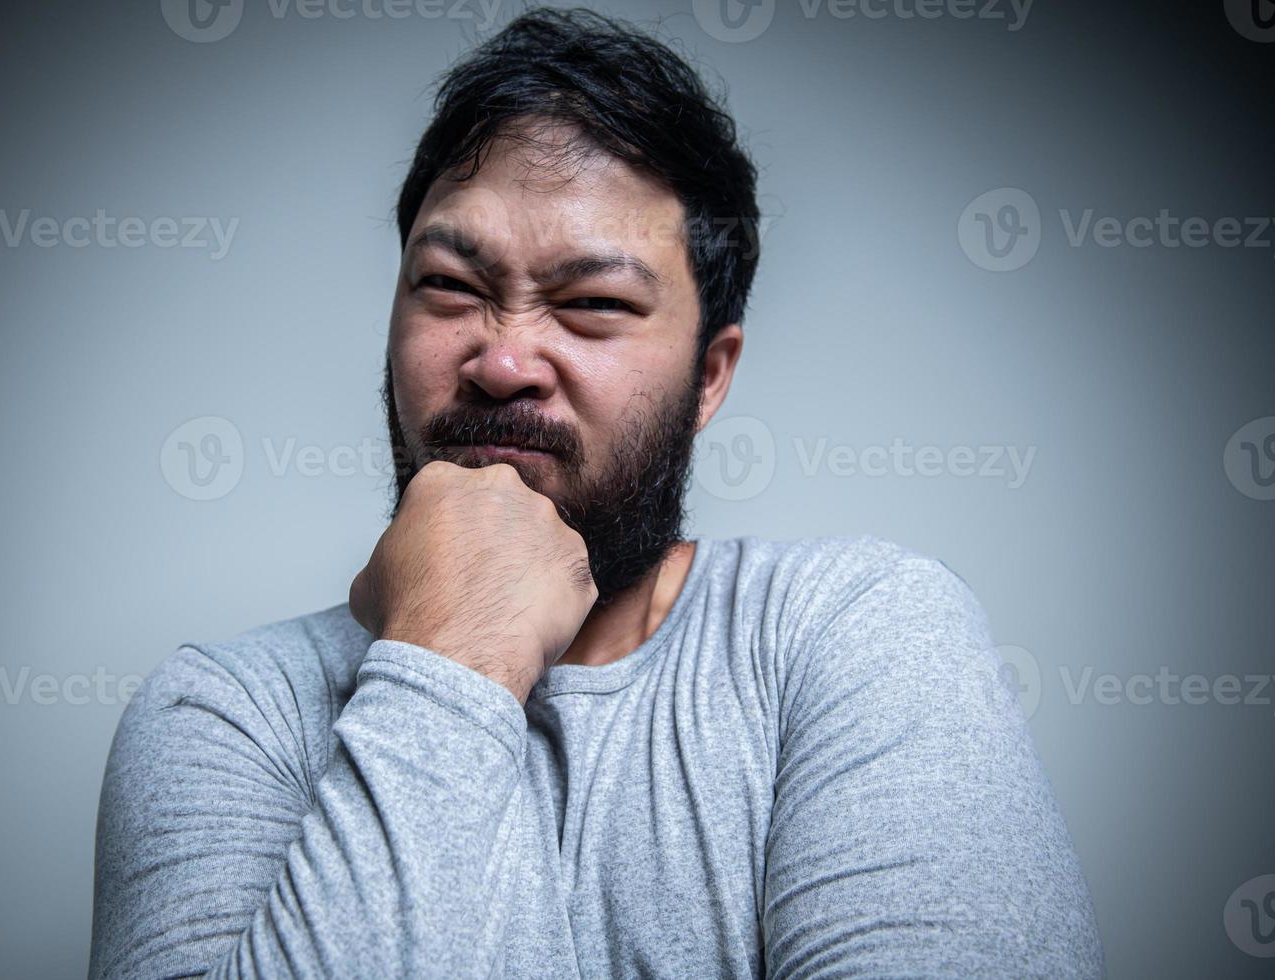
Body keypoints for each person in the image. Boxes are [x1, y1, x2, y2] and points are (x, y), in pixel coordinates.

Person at [90, 8, 1103, 977]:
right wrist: (455, 648)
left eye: (593, 304)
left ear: (711, 374)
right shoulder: (228, 711)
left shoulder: (855, 632)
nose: (503, 361)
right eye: (449, 286)